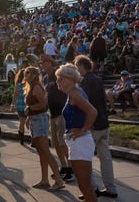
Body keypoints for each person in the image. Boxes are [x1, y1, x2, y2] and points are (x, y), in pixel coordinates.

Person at [75, 55, 118, 198]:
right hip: (103, 122)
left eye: (77, 66)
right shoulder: (98, 79)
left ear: (81, 66)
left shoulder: (85, 82)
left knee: (85, 158)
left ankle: (91, 189)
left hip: (92, 125)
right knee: (106, 158)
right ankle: (111, 188)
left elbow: (85, 104)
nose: (76, 69)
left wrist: (86, 125)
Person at [56, 63, 98, 202]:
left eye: (62, 78)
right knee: (83, 186)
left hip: (80, 143)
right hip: (77, 143)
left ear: (71, 79)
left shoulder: (75, 93)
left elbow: (92, 112)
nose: (58, 81)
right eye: (57, 78)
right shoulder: (73, 93)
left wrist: (83, 130)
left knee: (86, 187)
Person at [24, 66, 65, 192]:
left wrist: (30, 110)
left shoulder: (36, 86)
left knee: (45, 151)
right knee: (41, 152)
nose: (24, 75)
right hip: (35, 119)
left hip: (40, 120)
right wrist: (28, 116)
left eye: (27, 73)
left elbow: (43, 104)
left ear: (33, 74)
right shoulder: (32, 86)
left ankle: (58, 180)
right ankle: (44, 180)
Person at [41, 55, 72, 182]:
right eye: (42, 63)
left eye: (45, 62)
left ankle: (71, 168)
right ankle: (64, 166)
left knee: (62, 142)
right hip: (52, 113)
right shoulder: (45, 78)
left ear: (51, 63)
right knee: (56, 143)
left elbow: (62, 70)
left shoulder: (56, 74)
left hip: (61, 113)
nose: (43, 65)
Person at [10, 69, 30, 145]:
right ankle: (33, 138)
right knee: (28, 122)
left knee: (22, 122)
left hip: (20, 105)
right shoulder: (29, 83)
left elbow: (15, 95)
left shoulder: (18, 84)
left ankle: (21, 140)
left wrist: (12, 104)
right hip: (27, 105)